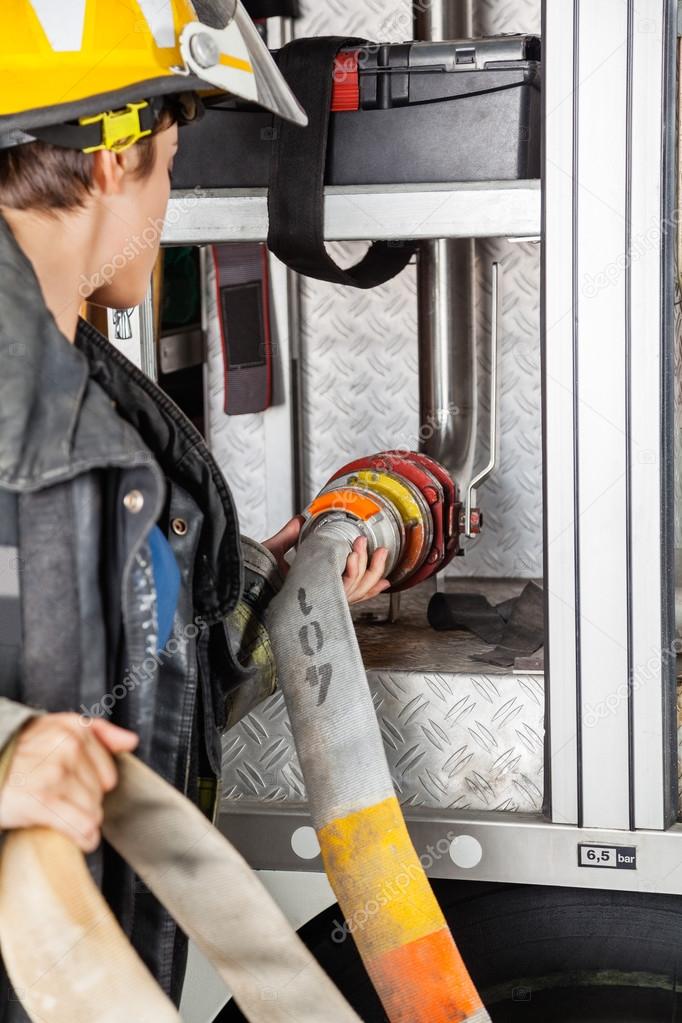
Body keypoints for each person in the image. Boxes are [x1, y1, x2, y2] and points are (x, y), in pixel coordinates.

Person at [0, 0, 389, 1012]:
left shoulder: (86, 400)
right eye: (171, 162)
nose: (167, 201)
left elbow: (122, 676)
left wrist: (267, 585)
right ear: (114, 162)